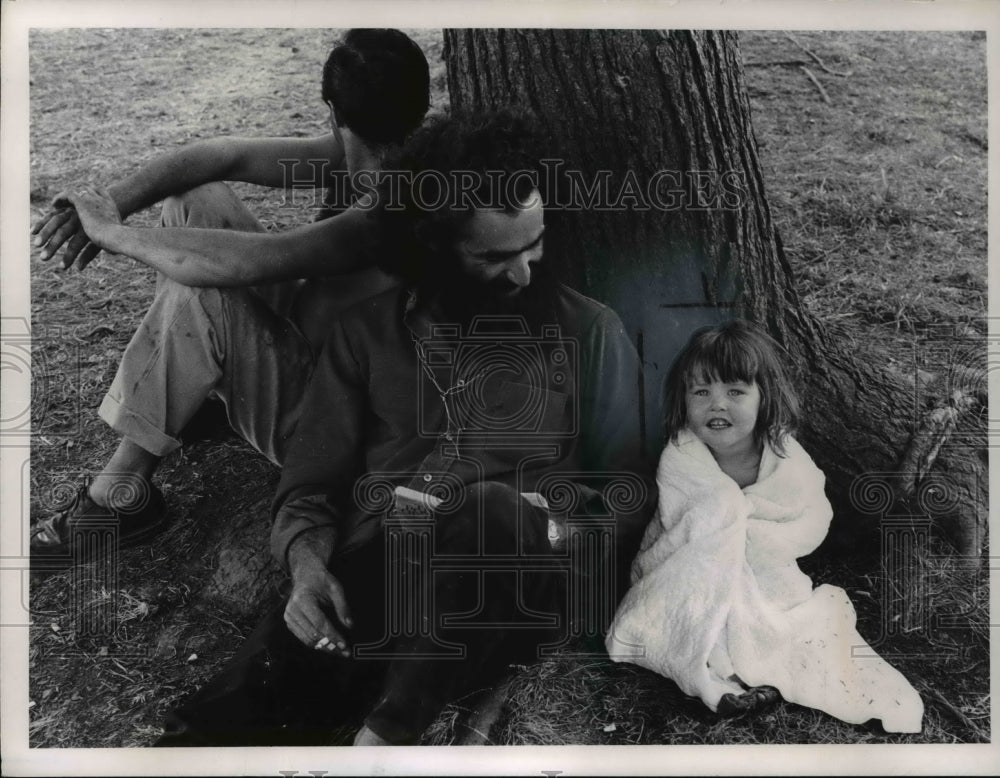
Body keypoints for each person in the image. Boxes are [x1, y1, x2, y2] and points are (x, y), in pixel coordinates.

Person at [155, 110, 656, 746]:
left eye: (535, 245)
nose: (526, 272)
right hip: (384, 574)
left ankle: (384, 743)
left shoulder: (590, 333)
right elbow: (310, 486)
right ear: (433, 248)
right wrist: (307, 571)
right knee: (213, 723)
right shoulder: (364, 335)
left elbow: (630, 496)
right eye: (497, 256)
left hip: (514, 585)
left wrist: (552, 524)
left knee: (490, 513)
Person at [29, 29, 431, 563]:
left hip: (334, 437)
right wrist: (110, 203)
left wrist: (113, 235)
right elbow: (221, 157)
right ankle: (199, 385)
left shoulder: (390, 214)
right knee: (198, 198)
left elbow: (246, 263)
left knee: (206, 296)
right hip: (328, 356)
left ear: (332, 112)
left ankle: (120, 495)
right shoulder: (389, 157)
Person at [605, 320, 924, 733]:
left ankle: (758, 670)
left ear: (764, 398)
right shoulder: (683, 456)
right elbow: (684, 528)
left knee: (793, 626)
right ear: (683, 402)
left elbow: (811, 518)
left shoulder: (785, 456)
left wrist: (752, 537)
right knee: (694, 612)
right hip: (691, 569)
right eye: (701, 392)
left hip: (766, 573)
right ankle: (718, 674)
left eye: (735, 392)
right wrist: (727, 521)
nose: (716, 405)